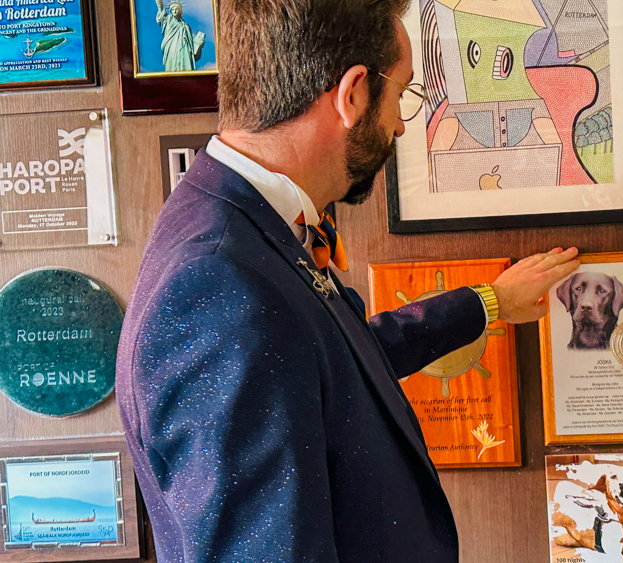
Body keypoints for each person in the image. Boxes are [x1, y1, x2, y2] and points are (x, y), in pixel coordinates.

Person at [115, 0, 579, 561]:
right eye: (402, 94)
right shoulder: (218, 285)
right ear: (353, 94)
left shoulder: (248, 225)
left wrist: (488, 302)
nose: (401, 124)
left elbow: (336, 362)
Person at [154, 0, 205, 72]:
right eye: (172, 9)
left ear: (180, 11)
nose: (174, 11)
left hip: (184, 50)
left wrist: (199, 42)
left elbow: (192, 44)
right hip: (172, 49)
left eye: (176, 9)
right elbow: (160, 8)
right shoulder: (168, 21)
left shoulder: (186, 26)